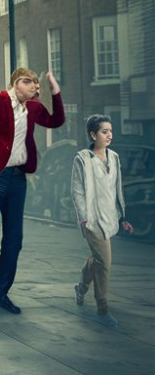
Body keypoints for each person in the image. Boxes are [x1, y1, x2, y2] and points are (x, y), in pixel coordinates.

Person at [0, 68, 64, 313]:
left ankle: (0, 294)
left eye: (37, 86)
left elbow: (55, 121)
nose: (35, 88)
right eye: (30, 84)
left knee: (14, 239)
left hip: (17, 178)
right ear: (17, 83)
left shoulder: (34, 108)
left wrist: (55, 90)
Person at [72, 114, 133, 328]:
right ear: (93, 134)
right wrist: (84, 218)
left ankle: (81, 287)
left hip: (110, 218)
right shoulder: (82, 158)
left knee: (97, 259)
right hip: (91, 219)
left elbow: (117, 188)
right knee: (105, 263)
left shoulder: (114, 157)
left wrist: (122, 216)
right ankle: (102, 308)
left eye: (110, 131)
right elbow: (77, 190)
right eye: (104, 131)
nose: (110, 135)